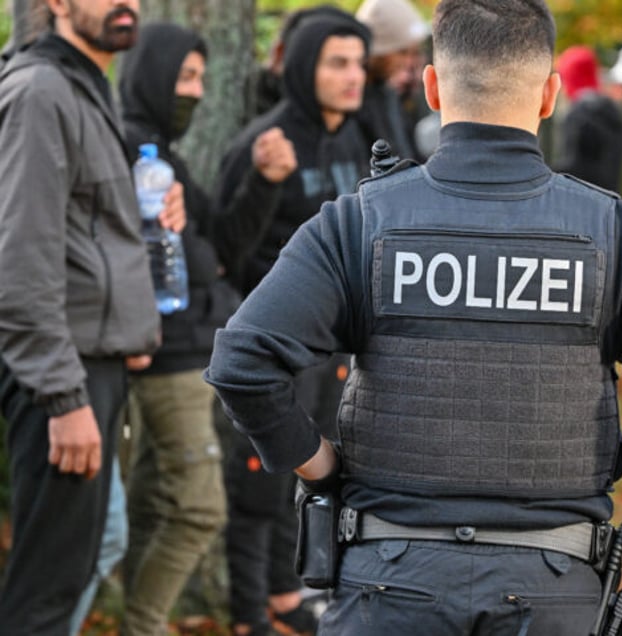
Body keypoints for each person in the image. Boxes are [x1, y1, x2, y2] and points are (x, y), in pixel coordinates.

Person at [205, 1, 622, 634]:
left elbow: (242, 362)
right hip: (554, 588)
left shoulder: (358, 223)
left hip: (387, 585)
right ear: (549, 96)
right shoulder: (617, 233)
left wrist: (317, 466)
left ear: (434, 87)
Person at [0, 1, 169, 632]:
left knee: (92, 550)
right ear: (57, 3)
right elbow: (21, 258)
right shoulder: (41, 92)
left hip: (93, 360)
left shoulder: (88, 86)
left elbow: (83, 237)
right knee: (49, 586)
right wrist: (61, 397)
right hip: (59, 373)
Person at [118, 21, 287, 634]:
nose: (194, 91)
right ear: (155, 76)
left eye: (200, 79)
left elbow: (221, 249)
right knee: (198, 511)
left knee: (153, 500)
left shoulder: (164, 156)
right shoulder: (133, 152)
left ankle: (137, 615)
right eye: (184, 77)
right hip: (166, 357)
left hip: (190, 349)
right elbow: (178, 259)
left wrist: (264, 184)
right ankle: (142, 622)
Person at [214, 10, 371, 636]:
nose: (353, 76)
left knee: (312, 475)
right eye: (338, 63)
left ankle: (289, 594)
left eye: (358, 62)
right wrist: (259, 180)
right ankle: (249, 614)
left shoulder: (356, 137)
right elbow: (226, 247)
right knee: (259, 483)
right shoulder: (267, 140)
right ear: (305, 68)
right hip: (277, 351)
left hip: (336, 352)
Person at [355, 0, 429, 160]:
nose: (408, 62)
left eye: (415, 52)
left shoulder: (387, 95)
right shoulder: (353, 104)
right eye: (402, 52)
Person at [552, 45, 622, 192]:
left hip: (581, 197)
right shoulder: (612, 109)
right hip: (607, 196)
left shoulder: (580, 113)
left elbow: (575, 166)